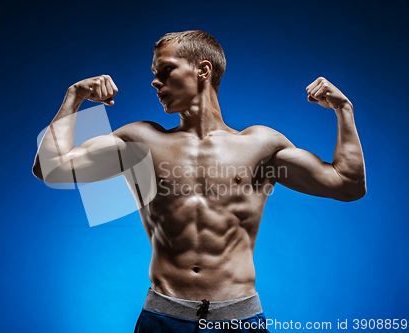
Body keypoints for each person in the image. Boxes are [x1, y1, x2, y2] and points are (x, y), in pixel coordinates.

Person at [32, 30, 366, 332]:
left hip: (239, 319)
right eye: (154, 74)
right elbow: (50, 168)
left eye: (166, 70)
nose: (155, 82)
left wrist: (343, 110)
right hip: (163, 317)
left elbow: (348, 185)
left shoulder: (259, 146)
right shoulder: (140, 142)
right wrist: (74, 96)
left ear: (202, 71)